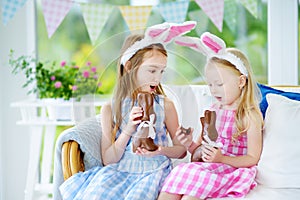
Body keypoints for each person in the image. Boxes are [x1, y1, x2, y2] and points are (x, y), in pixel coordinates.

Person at [59, 21, 197, 200]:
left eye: (161, 71)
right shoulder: (111, 108)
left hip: (153, 173)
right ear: (130, 67)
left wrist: (160, 150)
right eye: (152, 70)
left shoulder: (166, 105)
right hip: (118, 171)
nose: (157, 78)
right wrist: (129, 129)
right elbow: (109, 158)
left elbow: (181, 151)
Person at [158, 32, 264, 200]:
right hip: (208, 167)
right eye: (210, 84)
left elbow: (252, 158)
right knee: (179, 173)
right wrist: (188, 143)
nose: (213, 90)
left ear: (241, 81)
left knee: (190, 195)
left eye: (220, 84)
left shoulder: (249, 116)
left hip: (229, 170)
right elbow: (198, 150)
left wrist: (221, 158)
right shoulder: (212, 111)